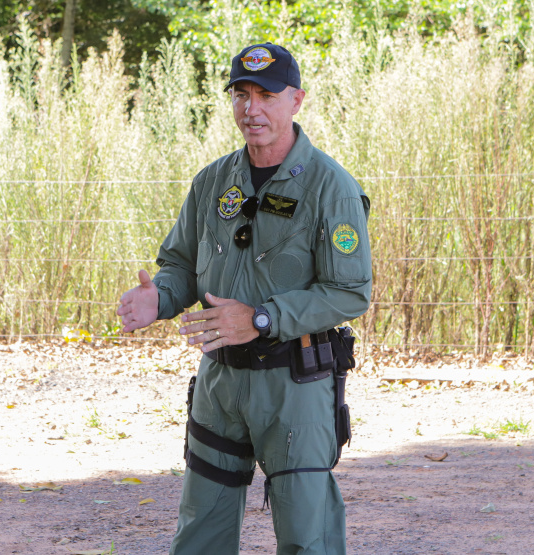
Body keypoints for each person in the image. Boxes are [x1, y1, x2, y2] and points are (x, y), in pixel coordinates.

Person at [117, 42, 372, 555]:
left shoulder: (331, 188)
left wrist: (261, 317)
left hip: (294, 386)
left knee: (308, 537)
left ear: (296, 100)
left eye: (266, 95)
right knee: (200, 534)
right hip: (220, 384)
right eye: (241, 94)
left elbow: (350, 292)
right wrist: (160, 299)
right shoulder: (213, 181)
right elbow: (182, 266)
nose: (251, 109)